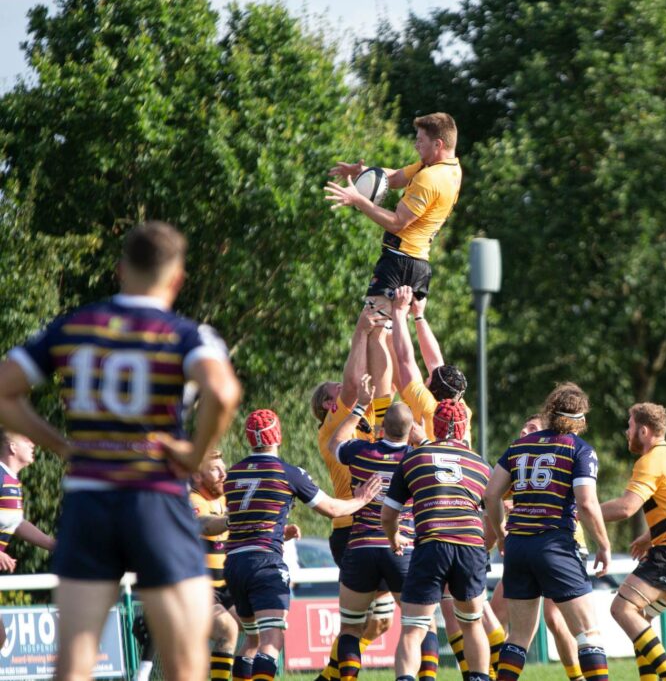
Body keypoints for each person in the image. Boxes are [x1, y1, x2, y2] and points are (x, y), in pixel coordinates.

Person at [0, 221, 242, 681]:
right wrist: (194, 455)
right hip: (156, 498)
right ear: (177, 279)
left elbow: (4, 389)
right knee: (185, 657)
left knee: (74, 661)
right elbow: (224, 392)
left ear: (120, 270)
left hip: (89, 501)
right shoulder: (185, 334)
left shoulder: (74, 326)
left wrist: (61, 445)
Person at [214, 409, 382, 681]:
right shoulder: (288, 473)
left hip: (235, 564)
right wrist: (361, 499)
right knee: (271, 640)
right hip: (265, 564)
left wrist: (281, 532)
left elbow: (244, 520)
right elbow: (331, 509)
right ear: (278, 436)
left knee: (252, 640)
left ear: (249, 439)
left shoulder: (233, 475)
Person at [324, 113, 462, 425]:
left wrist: (358, 200)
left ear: (438, 144)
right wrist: (364, 174)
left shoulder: (431, 179)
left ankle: (382, 419)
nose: (416, 145)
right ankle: (398, 414)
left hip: (400, 260)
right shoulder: (446, 168)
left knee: (374, 331)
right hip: (416, 261)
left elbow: (398, 222)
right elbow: (396, 177)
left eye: (421, 140)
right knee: (384, 337)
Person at [484, 383, 612, 681]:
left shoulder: (518, 447)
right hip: (555, 544)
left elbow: (490, 495)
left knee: (517, 638)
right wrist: (604, 545)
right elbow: (587, 503)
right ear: (581, 419)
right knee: (589, 634)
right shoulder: (579, 449)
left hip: (517, 547)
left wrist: (502, 534)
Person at [318, 376, 437, 681]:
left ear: (381, 428)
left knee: (350, 627)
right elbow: (437, 463)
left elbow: (335, 443)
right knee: (421, 625)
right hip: (402, 548)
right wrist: (422, 439)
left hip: (360, 548)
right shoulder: (416, 459)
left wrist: (359, 407)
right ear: (410, 431)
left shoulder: (361, 451)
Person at [310, 310, 397, 681]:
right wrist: (361, 330)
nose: (347, 390)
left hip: (381, 527)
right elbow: (351, 386)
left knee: (380, 623)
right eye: (337, 392)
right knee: (363, 621)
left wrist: (383, 334)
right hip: (352, 529)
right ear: (328, 405)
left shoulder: (366, 420)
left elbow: (383, 384)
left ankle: (329, 676)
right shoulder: (334, 424)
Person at [382, 399, 492, 681]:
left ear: (435, 426)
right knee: (472, 624)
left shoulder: (414, 458)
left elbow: (388, 514)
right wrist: (488, 545)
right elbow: (492, 513)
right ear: (463, 427)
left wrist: (394, 537)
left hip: (431, 544)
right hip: (469, 546)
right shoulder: (480, 464)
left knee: (413, 628)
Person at [600, 403, 666, 680]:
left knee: (622, 608)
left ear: (644, 431)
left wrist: (581, 512)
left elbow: (626, 508)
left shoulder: (651, 460)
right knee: (640, 619)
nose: (627, 432)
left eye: (630, 426)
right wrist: (650, 537)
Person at [486, 414, 586, 681]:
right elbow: (492, 501)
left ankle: (576, 676)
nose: (523, 430)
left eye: (532, 427)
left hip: (558, 544)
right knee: (496, 613)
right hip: (527, 546)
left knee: (554, 619)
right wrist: (496, 536)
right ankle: (491, 673)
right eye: (524, 426)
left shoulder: (556, 454)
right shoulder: (518, 461)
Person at [390, 285, 472, 442]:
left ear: (434, 389)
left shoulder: (428, 407)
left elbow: (405, 360)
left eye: (430, 378)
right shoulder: (461, 409)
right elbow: (435, 363)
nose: (427, 377)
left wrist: (398, 311)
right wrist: (419, 315)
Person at [0, 428, 57, 649]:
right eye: (27, 440)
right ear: (12, 447)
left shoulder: (12, 481)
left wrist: (53, 545)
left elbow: (17, 523)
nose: (33, 444)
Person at [190, 451, 239, 681]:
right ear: (197, 476)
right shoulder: (191, 500)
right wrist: (232, 519)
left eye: (223, 468)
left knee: (259, 628)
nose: (223, 474)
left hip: (225, 588)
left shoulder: (225, 500)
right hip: (198, 589)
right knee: (227, 630)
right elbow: (206, 525)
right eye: (215, 469)